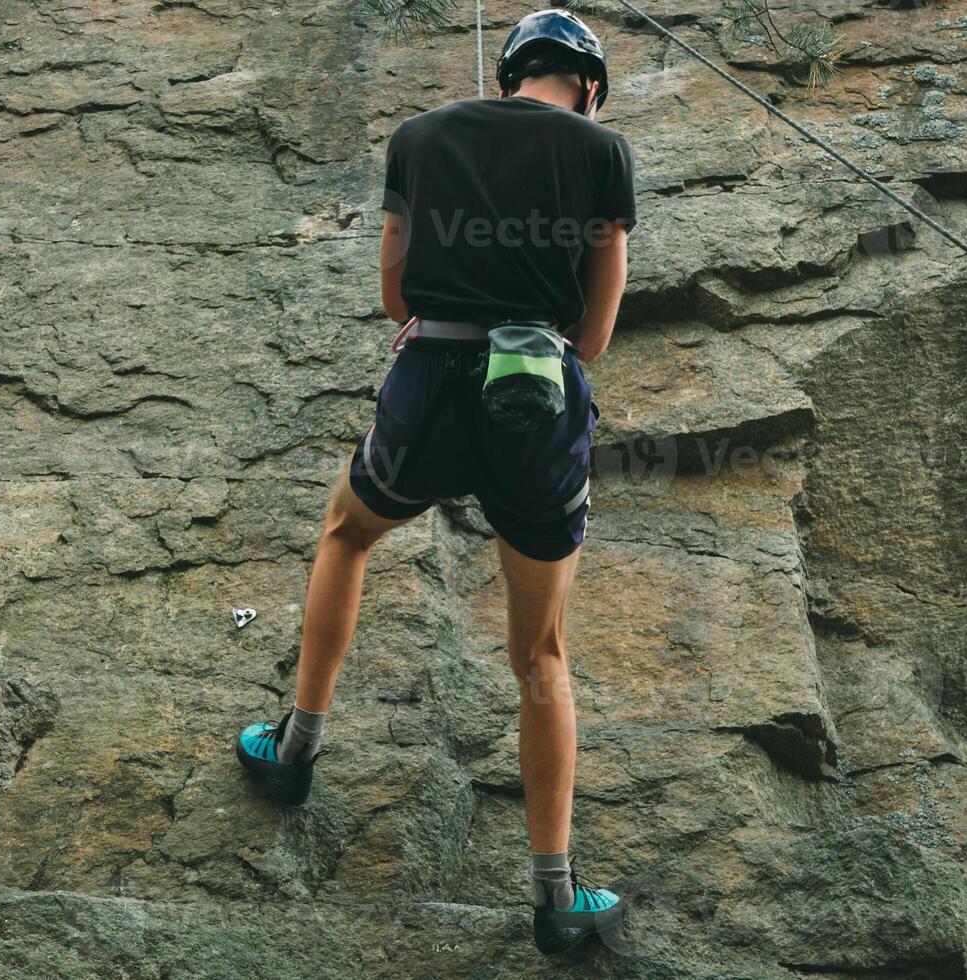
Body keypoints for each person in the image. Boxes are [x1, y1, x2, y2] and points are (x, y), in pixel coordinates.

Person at [234, 8, 635, 955]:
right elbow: (597, 336)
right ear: (584, 82)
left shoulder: (419, 139)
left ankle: (294, 752)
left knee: (347, 532)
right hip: (534, 400)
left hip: (427, 384)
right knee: (540, 654)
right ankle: (555, 898)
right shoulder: (602, 151)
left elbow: (394, 298)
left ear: (511, 73)